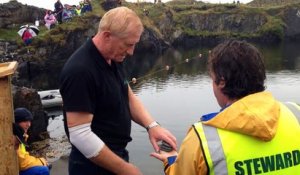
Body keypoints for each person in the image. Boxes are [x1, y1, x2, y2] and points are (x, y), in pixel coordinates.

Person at [151, 39, 300, 174]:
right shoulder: (295, 113)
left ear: (221, 81)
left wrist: (171, 160)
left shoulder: (203, 138)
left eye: (212, 78)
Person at [59, 6, 177, 175]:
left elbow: (126, 94)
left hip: (116, 155)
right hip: (90, 166)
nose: (131, 52)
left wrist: (151, 126)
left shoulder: (113, 57)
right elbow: (80, 134)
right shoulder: (80, 70)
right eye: (128, 44)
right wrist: (126, 170)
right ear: (107, 36)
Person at [14, 107, 50, 175]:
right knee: (43, 170)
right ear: (17, 122)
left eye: (29, 121)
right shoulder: (15, 138)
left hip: (18, 167)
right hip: (16, 169)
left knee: (46, 166)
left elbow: (23, 156)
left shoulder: (21, 135)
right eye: (25, 121)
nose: (28, 124)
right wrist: (41, 161)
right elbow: (22, 163)